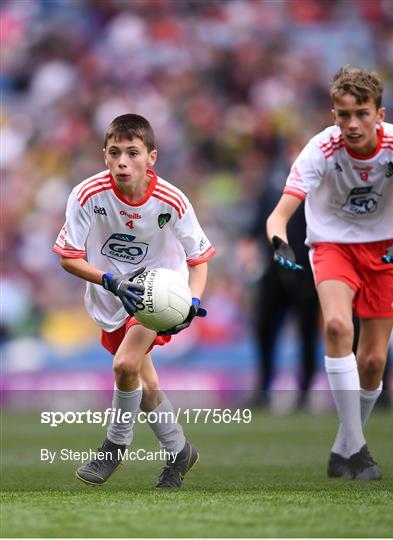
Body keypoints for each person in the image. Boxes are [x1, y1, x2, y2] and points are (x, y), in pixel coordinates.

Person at [266, 67, 393, 480]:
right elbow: (280, 214)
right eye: (343, 114)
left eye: (361, 113)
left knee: (373, 361)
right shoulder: (320, 149)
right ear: (333, 113)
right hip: (333, 246)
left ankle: (343, 446)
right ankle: (358, 450)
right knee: (338, 327)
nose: (352, 124)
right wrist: (278, 240)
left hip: (385, 249)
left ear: (380, 113)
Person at [53, 113, 216, 488]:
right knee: (143, 381)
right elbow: (68, 257)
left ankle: (114, 445)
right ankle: (179, 451)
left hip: (158, 291)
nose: (123, 161)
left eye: (132, 153)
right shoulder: (86, 194)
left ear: (151, 157)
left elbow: (199, 259)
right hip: (110, 295)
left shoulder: (171, 201)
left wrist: (191, 301)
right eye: (115, 153)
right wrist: (111, 281)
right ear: (105, 155)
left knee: (126, 365)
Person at [242, 164, 319, 409]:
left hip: (306, 271)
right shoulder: (273, 182)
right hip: (273, 270)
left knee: (307, 333)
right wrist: (250, 246)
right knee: (264, 330)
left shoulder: (316, 185)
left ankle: (305, 392)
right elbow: (259, 223)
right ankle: (263, 388)